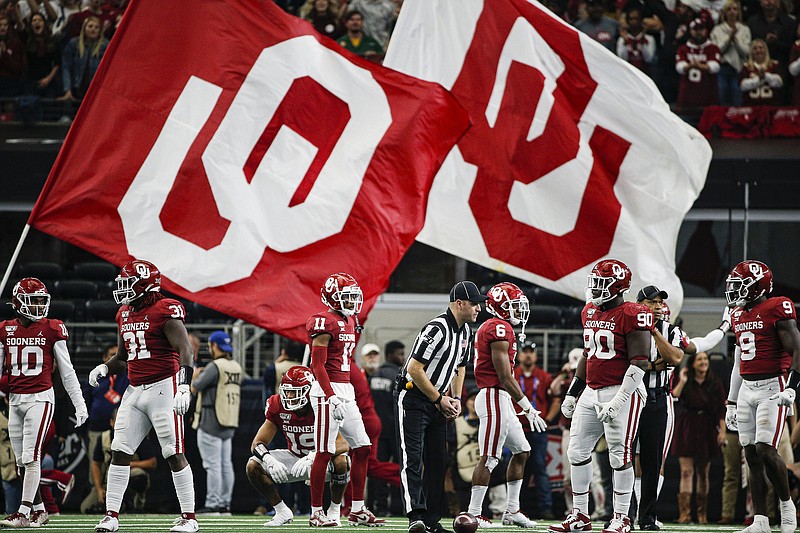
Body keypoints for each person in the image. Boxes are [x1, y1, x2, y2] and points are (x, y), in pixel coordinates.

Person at [88, 259, 198, 533]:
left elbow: (186, 351)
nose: (123, 290)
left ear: (145, 284)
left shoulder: (164, 310)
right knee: (119, 451)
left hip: (164, 387)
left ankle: (189, 518)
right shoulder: (124, 313)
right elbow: (122, 358)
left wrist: (183, 385)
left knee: (173, 452)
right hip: (135, 390)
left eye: (128, 283)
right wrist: (105, 367)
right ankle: (111, 515)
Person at [549, 259, 652, 533]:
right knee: (577, 451)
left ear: (619, 287)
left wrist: (618, 401)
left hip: (623, 390)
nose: (595, 288)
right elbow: (587, 353)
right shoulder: (590, 312)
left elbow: (640, 362)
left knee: (620, 455)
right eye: (594, 282)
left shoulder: (633, 313)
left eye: (601, 283)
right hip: (592, 390)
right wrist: (573, 391)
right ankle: (580, 516)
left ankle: (622, 518)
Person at [632, 284, 729, 530]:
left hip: (660, 396)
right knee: (629, 458)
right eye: (651, 302)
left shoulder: (670, 331)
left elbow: (682, 354)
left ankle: (647, 514)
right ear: (640, 303)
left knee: (656, 459)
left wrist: (724, 326)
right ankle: (627, 512)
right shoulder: (628, 325)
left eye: (658, 302)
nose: (656, 306)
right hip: (631, 396)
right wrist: (651, 365)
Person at [396, 281, 485, 533]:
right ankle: (416, 517)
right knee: (411, 458)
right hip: (413, 399)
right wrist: (439, 399)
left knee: (438, 460)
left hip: (439, 402)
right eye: (474, 303)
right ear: (460, 303)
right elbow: (414, 368)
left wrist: (455, 397)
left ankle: (433, 521)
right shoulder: (437, 328)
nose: (478, 308)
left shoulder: (466, 332)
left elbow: (460, 366)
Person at [0, 278, 88, 528]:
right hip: (14, 400)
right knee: (20, 463)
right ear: (18, 302)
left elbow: (67, 372)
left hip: (40, 398)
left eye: (42, 300)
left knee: (32, 457)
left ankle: (23, 512)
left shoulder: (52, 328)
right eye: (34, 300)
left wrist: (79, 403)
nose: (39, 306)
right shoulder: (5, 328)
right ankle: (40, 509)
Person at [725, 260, 800, 533]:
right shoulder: (737, 314)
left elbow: (797, 347)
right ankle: (760, 520)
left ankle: (786, 506)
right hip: (746, 388)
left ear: (757, 286)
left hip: (773, 386)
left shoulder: (776, 306)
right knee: (750, 455)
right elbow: (737, 361)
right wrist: (731, 401)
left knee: (766, 450)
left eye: (739, 286)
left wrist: (792, 386)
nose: (733, 291)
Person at [467, 282, 546, 529]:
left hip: (500, 398)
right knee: (489, 458)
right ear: (499, 306)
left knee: (522, 451)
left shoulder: (499, 326)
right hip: (493, 395)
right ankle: (474, 513)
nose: (519, 310)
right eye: (514, 305)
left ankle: (511, 511)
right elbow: (505, 376)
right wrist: (527, 406)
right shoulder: (497, 327)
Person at [306, 272, 382, 526]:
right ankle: (317, 512)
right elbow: (317, 366)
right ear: (332, 298)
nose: (352, 302)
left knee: (362, 447)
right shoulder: (323, 322)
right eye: (347, 297)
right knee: (324, 451)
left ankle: (357, 509)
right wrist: (330, 397)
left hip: (346, 390)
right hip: (327, 391)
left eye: (353, 297)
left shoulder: (349, 320)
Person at [246, 365, 351, 527]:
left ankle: (334, 511)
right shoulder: (277, 405)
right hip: (294, 457)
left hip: (320, 460)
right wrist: (269, 460)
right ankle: (281, 511)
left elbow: (343, 444)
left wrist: (315, 455)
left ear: (309, 391)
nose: (289, 396)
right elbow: (257, 443)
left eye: (294, 391)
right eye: (287, 391)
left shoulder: (322, 404)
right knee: (253, 465)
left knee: (342, 462)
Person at [671, 352, 726, 524]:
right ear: (693, 364)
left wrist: (722, 431)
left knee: (704, 472)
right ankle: (685, 514)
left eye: (705, 359)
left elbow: (721, 410)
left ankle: (702, 515)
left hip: (707, 426)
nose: (703, 362)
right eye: (699, 359)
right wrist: (683, 379)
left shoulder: (715, 383)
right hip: (687, 425)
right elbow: (674, 395)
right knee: (686, 471)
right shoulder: (686, 381)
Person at [191, 330, 242, 515]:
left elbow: (195, 388)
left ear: (214, 346)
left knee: (212, 465)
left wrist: (195, 376)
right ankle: (224, 504)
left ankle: (213, 504)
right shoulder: (236, 366)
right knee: (226, 465)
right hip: (229, 419)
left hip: (211, 420)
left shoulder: (214, 366)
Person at [81, 408, 157, 514]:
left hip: (129, 478)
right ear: (111, 422)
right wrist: (99, 489)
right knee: (86, 508)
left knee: (139, 476)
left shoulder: (137, 436)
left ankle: (134, 503)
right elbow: (95, 464)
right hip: (108, 481)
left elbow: (152, 462)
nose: (121, 426)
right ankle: (117, 505)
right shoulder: (103, 438)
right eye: (118, 422)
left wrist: (131, 464)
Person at [515, 342, 559, 520]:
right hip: (517, 429)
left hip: (537, 430)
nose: (527, 355)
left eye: (530, 352)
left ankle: (545, 509)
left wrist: (547, 419)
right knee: (517, 469)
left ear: (536, 356)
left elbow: (556, 399)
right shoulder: (513, 374)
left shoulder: (543, 376)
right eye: (524, 352)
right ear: (519, 355)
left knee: (539, 467)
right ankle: (516, 508)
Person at [369, 340, 405, 516]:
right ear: (390, 354)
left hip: (377, 433)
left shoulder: (373, 376)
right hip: (396, 432)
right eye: (400, 353)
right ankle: (399, 507)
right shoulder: (400, 376)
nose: (403, 357)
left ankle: (379, 507)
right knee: (400, 469)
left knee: (378, 470)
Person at [86, 344, 128, 489]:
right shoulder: (96, 376)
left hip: (122, 430)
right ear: (104, 358)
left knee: (120, 464)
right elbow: (87, 402)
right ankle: (96, 494)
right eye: (111, 355)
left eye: (117, 355)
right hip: (96, 430)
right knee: (95, 465)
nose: (114, 358)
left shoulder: (128, 376)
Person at [710, 0, 751, 105]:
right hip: (723, 68)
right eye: (729, 9)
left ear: (738, 12)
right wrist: (728, 40)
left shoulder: (744, 29)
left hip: (739, 69)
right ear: (724, 12)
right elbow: (716, 51)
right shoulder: (717, 30)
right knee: (722, 98)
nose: (732, 12)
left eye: (735, 9)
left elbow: (746, 52)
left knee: (737, 99)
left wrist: (736, 41)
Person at [675, 18, 721, 111]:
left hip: (708, 98)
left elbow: (715, 67)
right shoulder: (683, 49)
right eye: (695, 30)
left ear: (706, 30)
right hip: (687, 99)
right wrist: (691, 66)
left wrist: (697, 66)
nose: (698, 32)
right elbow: (679, 67)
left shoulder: (712, 48)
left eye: (701, 29)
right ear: (690, 31)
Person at [59, 15, 107, 102]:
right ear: (84, 29)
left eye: (97, 27)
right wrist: (67, 89)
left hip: (96, 90)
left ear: (100, 31)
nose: (93, 29)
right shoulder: (73, 43)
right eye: (90, 26)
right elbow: (66, 67)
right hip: (76, 88)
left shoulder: (106, 45)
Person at [739, 39, 784, 105]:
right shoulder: (746, 67)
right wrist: (758, 79)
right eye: (755, 48)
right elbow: (742, 86)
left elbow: (779, 83)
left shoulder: (774, 65)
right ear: (751, 52)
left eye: (761, 48)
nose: (758, 50)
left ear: (765, 50)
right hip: (751, 106)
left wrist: (766, 76)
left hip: (771, 106)